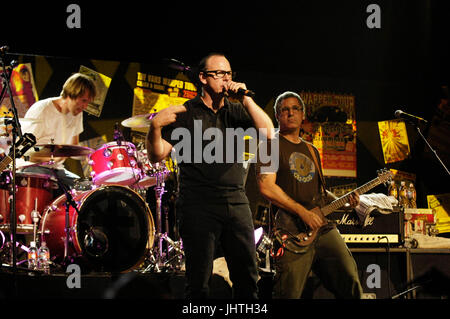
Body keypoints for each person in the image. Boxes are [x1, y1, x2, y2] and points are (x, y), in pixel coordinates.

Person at [146, 53, 274, 299]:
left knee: (247, 281)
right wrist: (155, 127)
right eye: (219, 74)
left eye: (229, 74)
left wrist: (245, 99)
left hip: (236, 202)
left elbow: (268, 133)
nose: (226, 79)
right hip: (198, 204)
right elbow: (156, 155)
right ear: (203, 78)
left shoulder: (237, 112)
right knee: (198, 284)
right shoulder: (185, 113)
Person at [256, 91, 363, 299]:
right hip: (291, 231)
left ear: (303, 114)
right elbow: (267, 188)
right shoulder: (269, 145)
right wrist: (303, 213)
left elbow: (321, 194)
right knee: (288, 294)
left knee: (350, 280)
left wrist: (346, 204)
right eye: (284, 109)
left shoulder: (312, 150)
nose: (290, 113)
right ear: (277, 115)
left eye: (295, 108)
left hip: (322, 228)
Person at [16, 72, 96, 189]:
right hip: (30, 167)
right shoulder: (42, 110)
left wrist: (90, 154)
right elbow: (23, 151)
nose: (85, 106)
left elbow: (74, 147)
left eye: (87, 102)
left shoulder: (77, 113)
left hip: (56, 169)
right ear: (71, 94)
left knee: (89, 189)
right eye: (83, 101)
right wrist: (51, 157)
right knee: (57, 189)